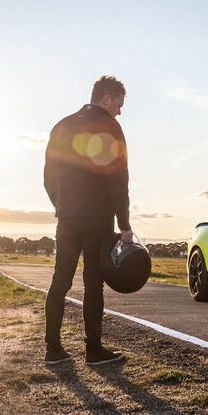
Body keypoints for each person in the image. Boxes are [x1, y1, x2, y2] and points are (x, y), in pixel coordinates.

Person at [43, 75, 133, 366]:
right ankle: (94, 351)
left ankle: (53, 350)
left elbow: (47, 177)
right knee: (93, 283)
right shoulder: (110, 126)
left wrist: (62, 206)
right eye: (118, 104)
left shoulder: (61, 125)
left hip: (67, 218)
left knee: (60, 279)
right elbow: (118, 179)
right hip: (98, 217)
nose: (119, 111)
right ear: (106, 98)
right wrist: (125, 225)